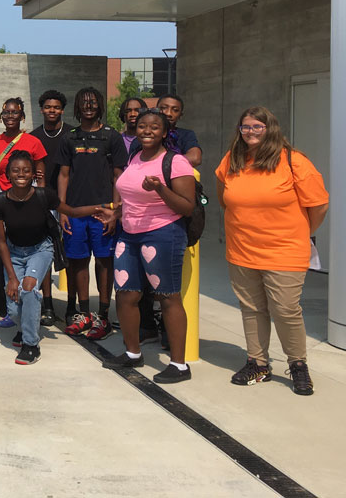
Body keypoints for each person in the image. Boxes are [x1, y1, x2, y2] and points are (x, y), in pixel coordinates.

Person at [215, 106, 328, 396]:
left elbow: (318, 205)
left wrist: (301, 232)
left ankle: (298, 364)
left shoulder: (293, 161)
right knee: (252, 308)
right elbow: (224, 198)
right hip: (242, 249)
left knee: (286, 309)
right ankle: (258, 363)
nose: (250, 132)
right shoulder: (233, 159)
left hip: (285, 250)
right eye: (245, 127)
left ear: (270, 128)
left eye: (257, 127)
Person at [98, 108, 195, 383]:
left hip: (163, 235)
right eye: (142, 126)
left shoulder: (175, 162)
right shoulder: (134, 157)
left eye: (154, 127)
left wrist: (161, 189)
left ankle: (179, 365)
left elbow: (187, 207)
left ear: (165, 132)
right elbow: (130, 199)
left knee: (167, 297)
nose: (147, 131)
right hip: (128, 235)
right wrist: (115, 214)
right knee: (126, 294)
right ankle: (132, 354)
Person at [55, 87, 128, 339]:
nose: (89, 106)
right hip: (75, 212)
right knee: (77, 261)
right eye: (84, 102)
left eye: (93, 102)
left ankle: (104, 316)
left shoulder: (112, 137)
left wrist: (115, 210)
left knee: (105, 262)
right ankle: (84, 313)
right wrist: (62, 210)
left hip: (103, 212)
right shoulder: (69, 137)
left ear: (100, 105)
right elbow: (63, 175)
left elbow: (119, 175)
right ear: (77, 106)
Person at [0, 151, 64, 364]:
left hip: (40, 249)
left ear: (33, 174)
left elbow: (70, 210)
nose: (21, 173)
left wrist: (103, 209)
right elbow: (1, 242)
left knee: (29, 290)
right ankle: (24, 328)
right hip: (13, 252)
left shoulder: (44, 195)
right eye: (16, 170)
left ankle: (31, 345)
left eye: (26, 170)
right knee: (14, 307)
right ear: (8, 175)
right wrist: (12, 278)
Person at [0, 97, 48, 328]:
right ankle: (12, 311)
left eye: (15, 113)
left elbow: (40, 176)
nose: (10, 117)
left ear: (22, 116)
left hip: (29, 202)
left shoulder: (33, 142)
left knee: (34, 252)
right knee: (7, 252)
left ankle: (39, 305)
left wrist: (41, 206)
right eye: (6, 113)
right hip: (4, 203)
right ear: (1, 116)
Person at [30, 89, 69, 326]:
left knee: (71, 256)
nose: (51, 110)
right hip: (43, 202)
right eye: (47, 107)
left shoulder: (72, 134)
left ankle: (73, 306)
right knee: (44, 255)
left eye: (56, 107)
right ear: (41, 109)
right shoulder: (34, 137)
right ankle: (47, 305)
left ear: (62, 109)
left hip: (68, 203)